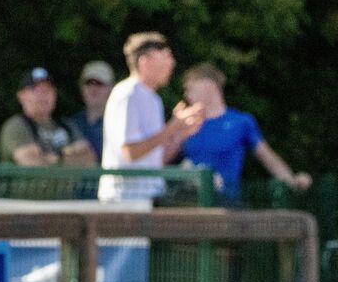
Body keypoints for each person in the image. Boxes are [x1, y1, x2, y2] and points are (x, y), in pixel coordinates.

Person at [171, 63, 312, 204]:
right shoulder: (185, 125)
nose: (186, 94)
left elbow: (267, 157)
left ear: (210, 86)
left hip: (226, 204)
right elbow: (163, 159)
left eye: (190, 88)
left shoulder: (241, 122)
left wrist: (292, 181)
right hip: (188, 204)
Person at [98, 32, 205, 202]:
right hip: (124, 200)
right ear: (145, 62)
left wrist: (179, 134)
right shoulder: (128, 94)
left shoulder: (154, 100)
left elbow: (156, 159)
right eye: (166, 57)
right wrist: (172, 127)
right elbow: (130, 152)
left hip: (150, 197)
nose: (172, 63)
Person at [0, 67, 95, 166]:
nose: (43, 94)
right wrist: (67, 156)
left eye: (48, 89)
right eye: (35, 89)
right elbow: (31, 162)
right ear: (21, 96)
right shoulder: (16, 126)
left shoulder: (66, 126)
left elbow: (89, 159)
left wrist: (52, 158)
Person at [66, 60, 115, 160]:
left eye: (99, 84)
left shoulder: (119, 123)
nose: (93, 89)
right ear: (81, 87)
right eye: (88, 83)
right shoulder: (71, 123)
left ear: (111, 88)